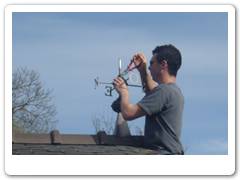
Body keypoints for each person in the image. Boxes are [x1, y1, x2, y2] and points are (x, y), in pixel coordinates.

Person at [113, 44, 184, 155]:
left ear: (163, 64)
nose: (149, 67)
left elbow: (128, 113)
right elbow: (152, 92)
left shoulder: (164, 91)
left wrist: (124, 92)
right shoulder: (173, 91)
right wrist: (142, 70)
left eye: (152, 63)